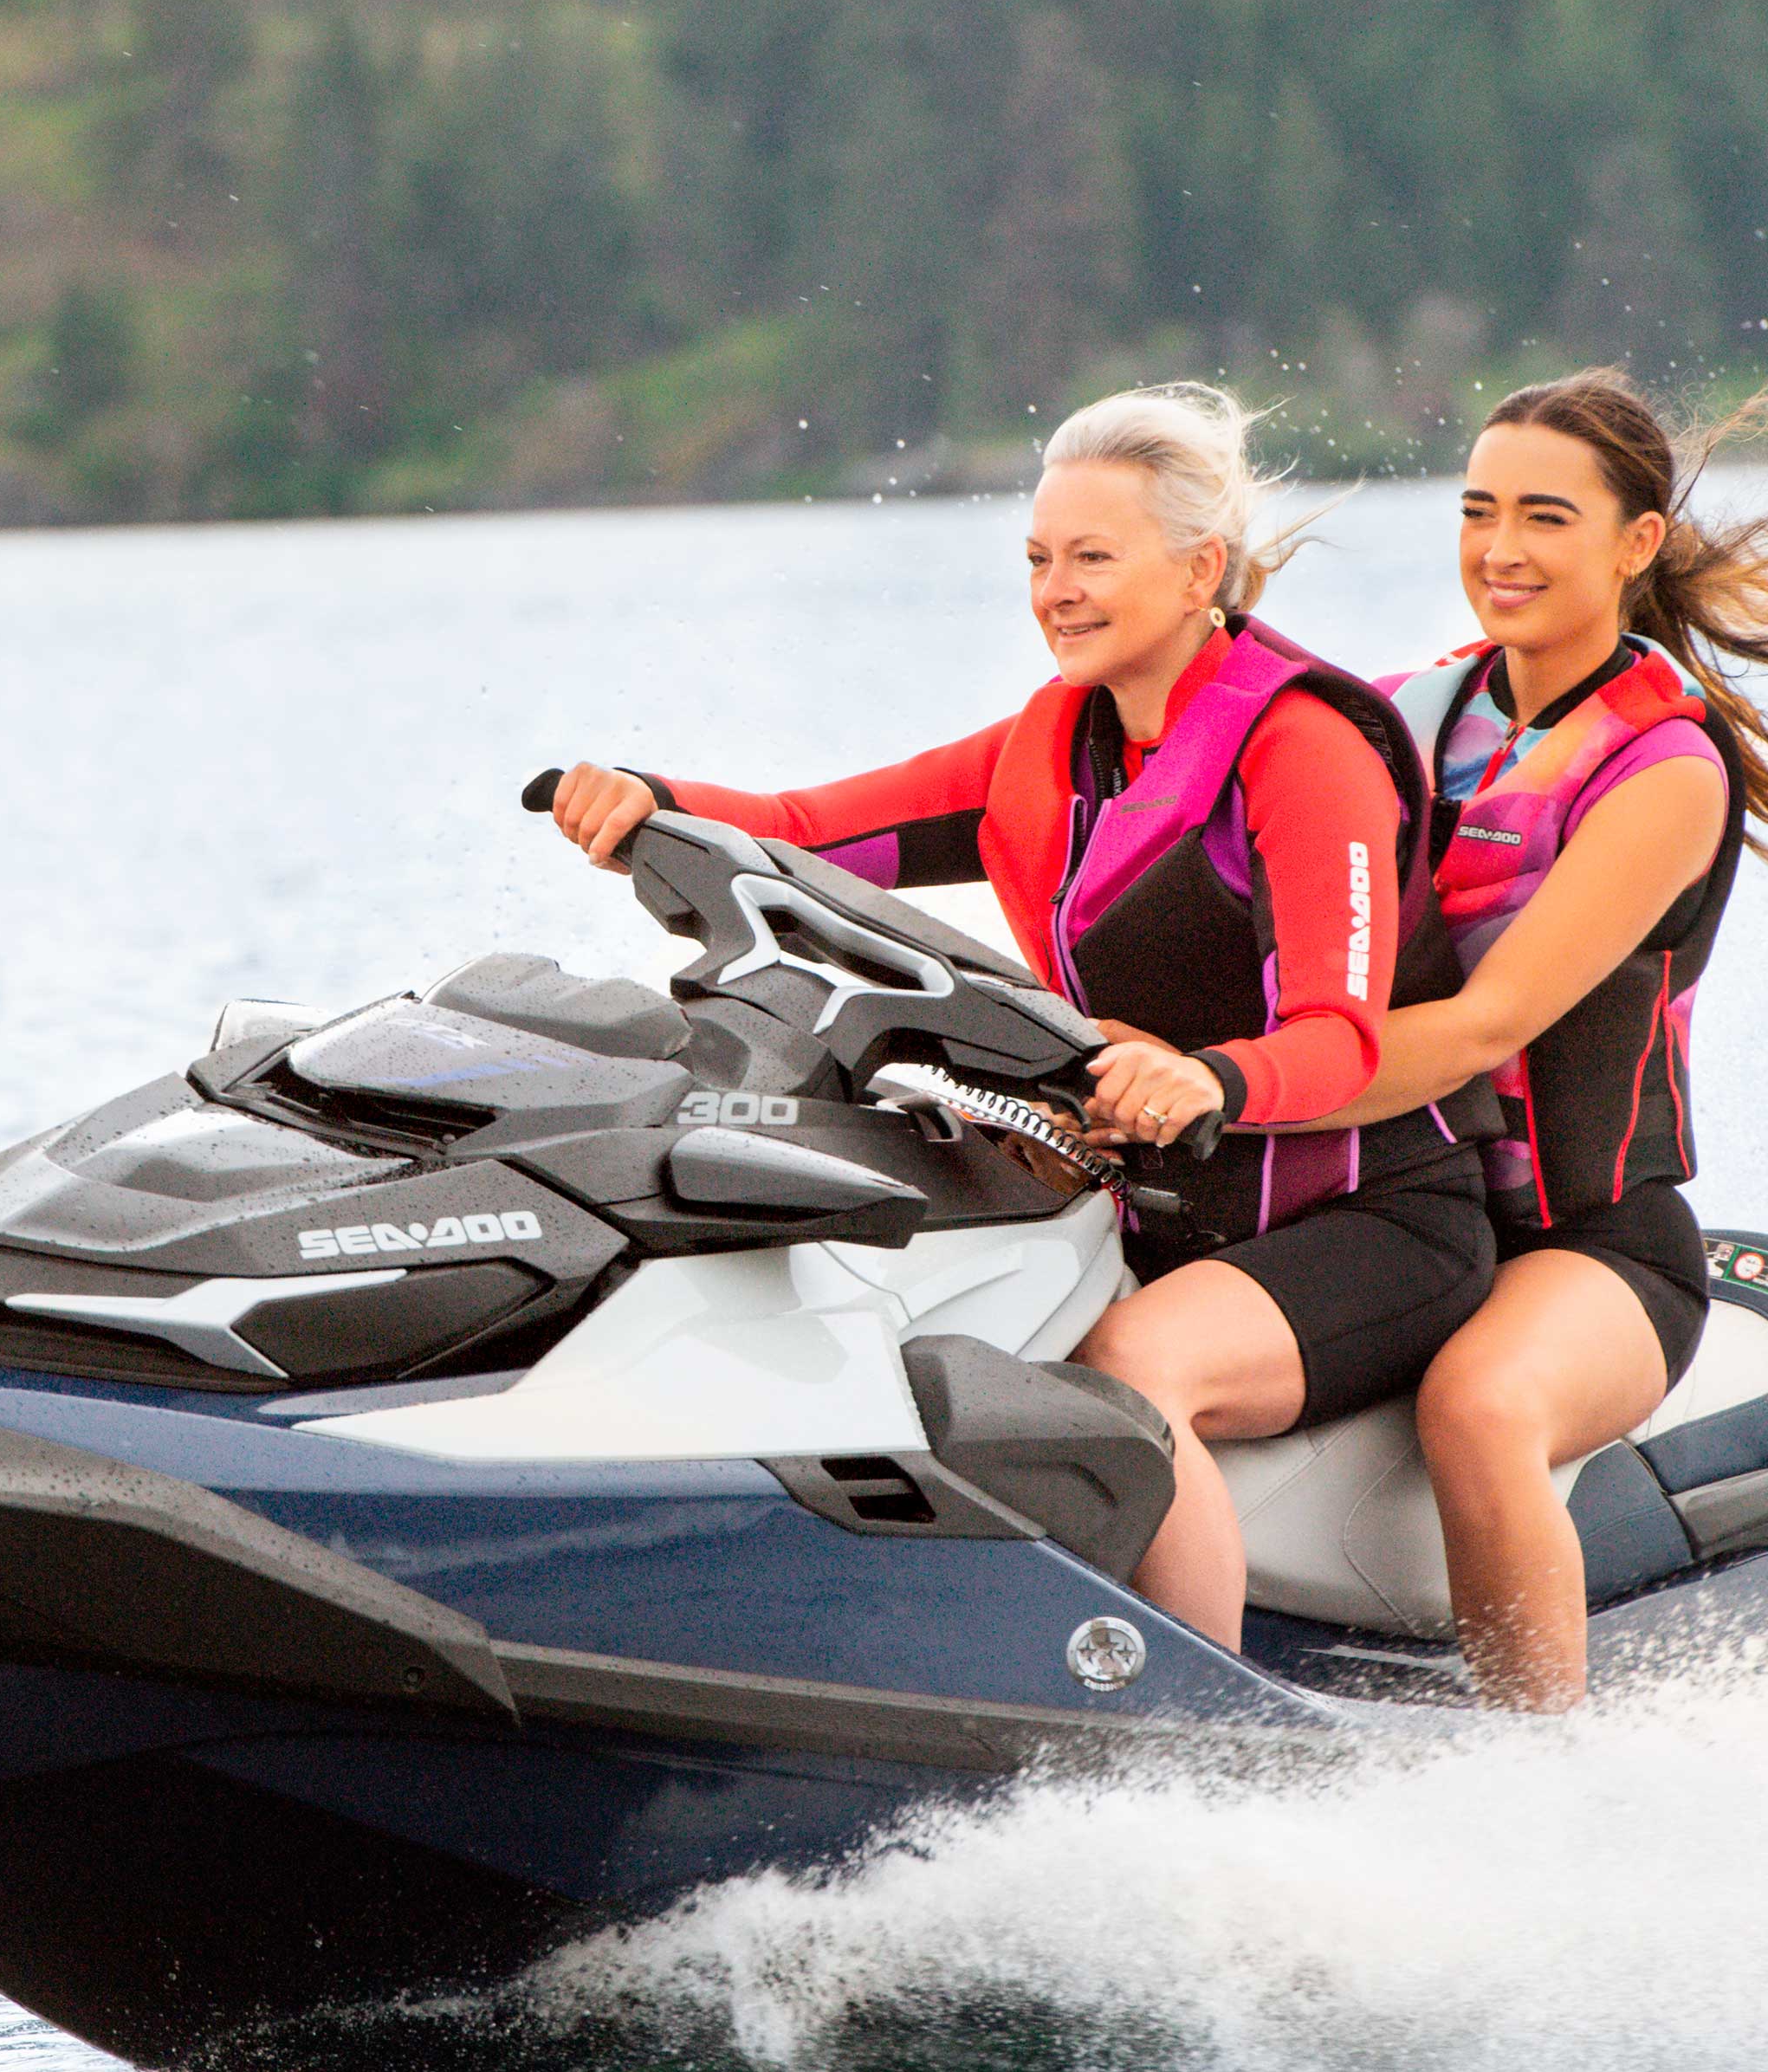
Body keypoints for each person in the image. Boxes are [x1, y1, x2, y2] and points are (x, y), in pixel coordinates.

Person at [543, 385, 1495, 1651]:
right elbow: (807, 833)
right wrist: (649, 803)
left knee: (1131, 1371)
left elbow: (1346, 1034)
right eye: (1040, 559)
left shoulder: (1302, 747)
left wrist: (1208, 1078)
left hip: (1378, 1220)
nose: (1057, 589)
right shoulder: (1053, 747)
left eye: (1095, 557)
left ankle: (1197, 1744)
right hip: (1161, 1204)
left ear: (1201, 566)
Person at [1317, 369, 1768, 1708]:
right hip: (1393, 1204)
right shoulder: (1400, 716)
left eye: (1543, 517)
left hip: (1587, 1245)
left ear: (1636, 544)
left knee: (1479, 1410)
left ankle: (1542, 1783)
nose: (1499, 551)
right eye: (1476, 512)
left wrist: (1235, 1089)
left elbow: (1490, 1023)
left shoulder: (1666, 773)